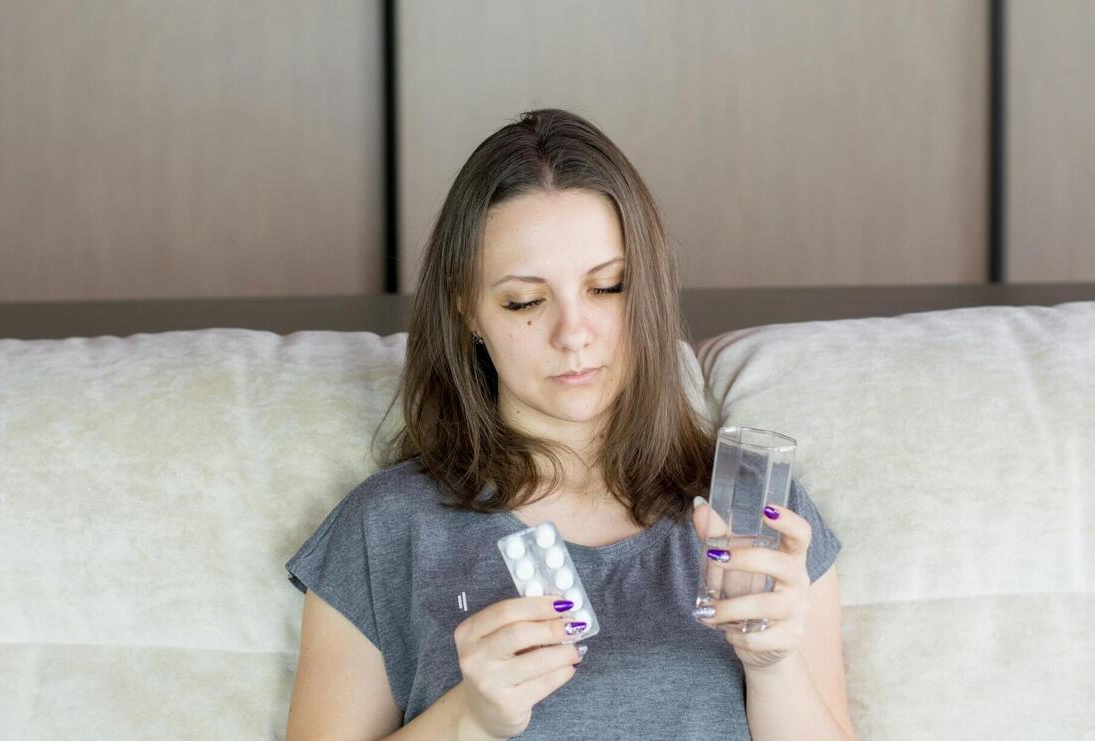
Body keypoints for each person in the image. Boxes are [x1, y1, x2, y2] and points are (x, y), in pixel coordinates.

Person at [283, 108, 854, 740]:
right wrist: (470, 718)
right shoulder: (387, 527)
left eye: (608, 288)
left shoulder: (754, 516)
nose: (574, 334)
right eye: (525, 301)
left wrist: (772, 670)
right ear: (466, 309)